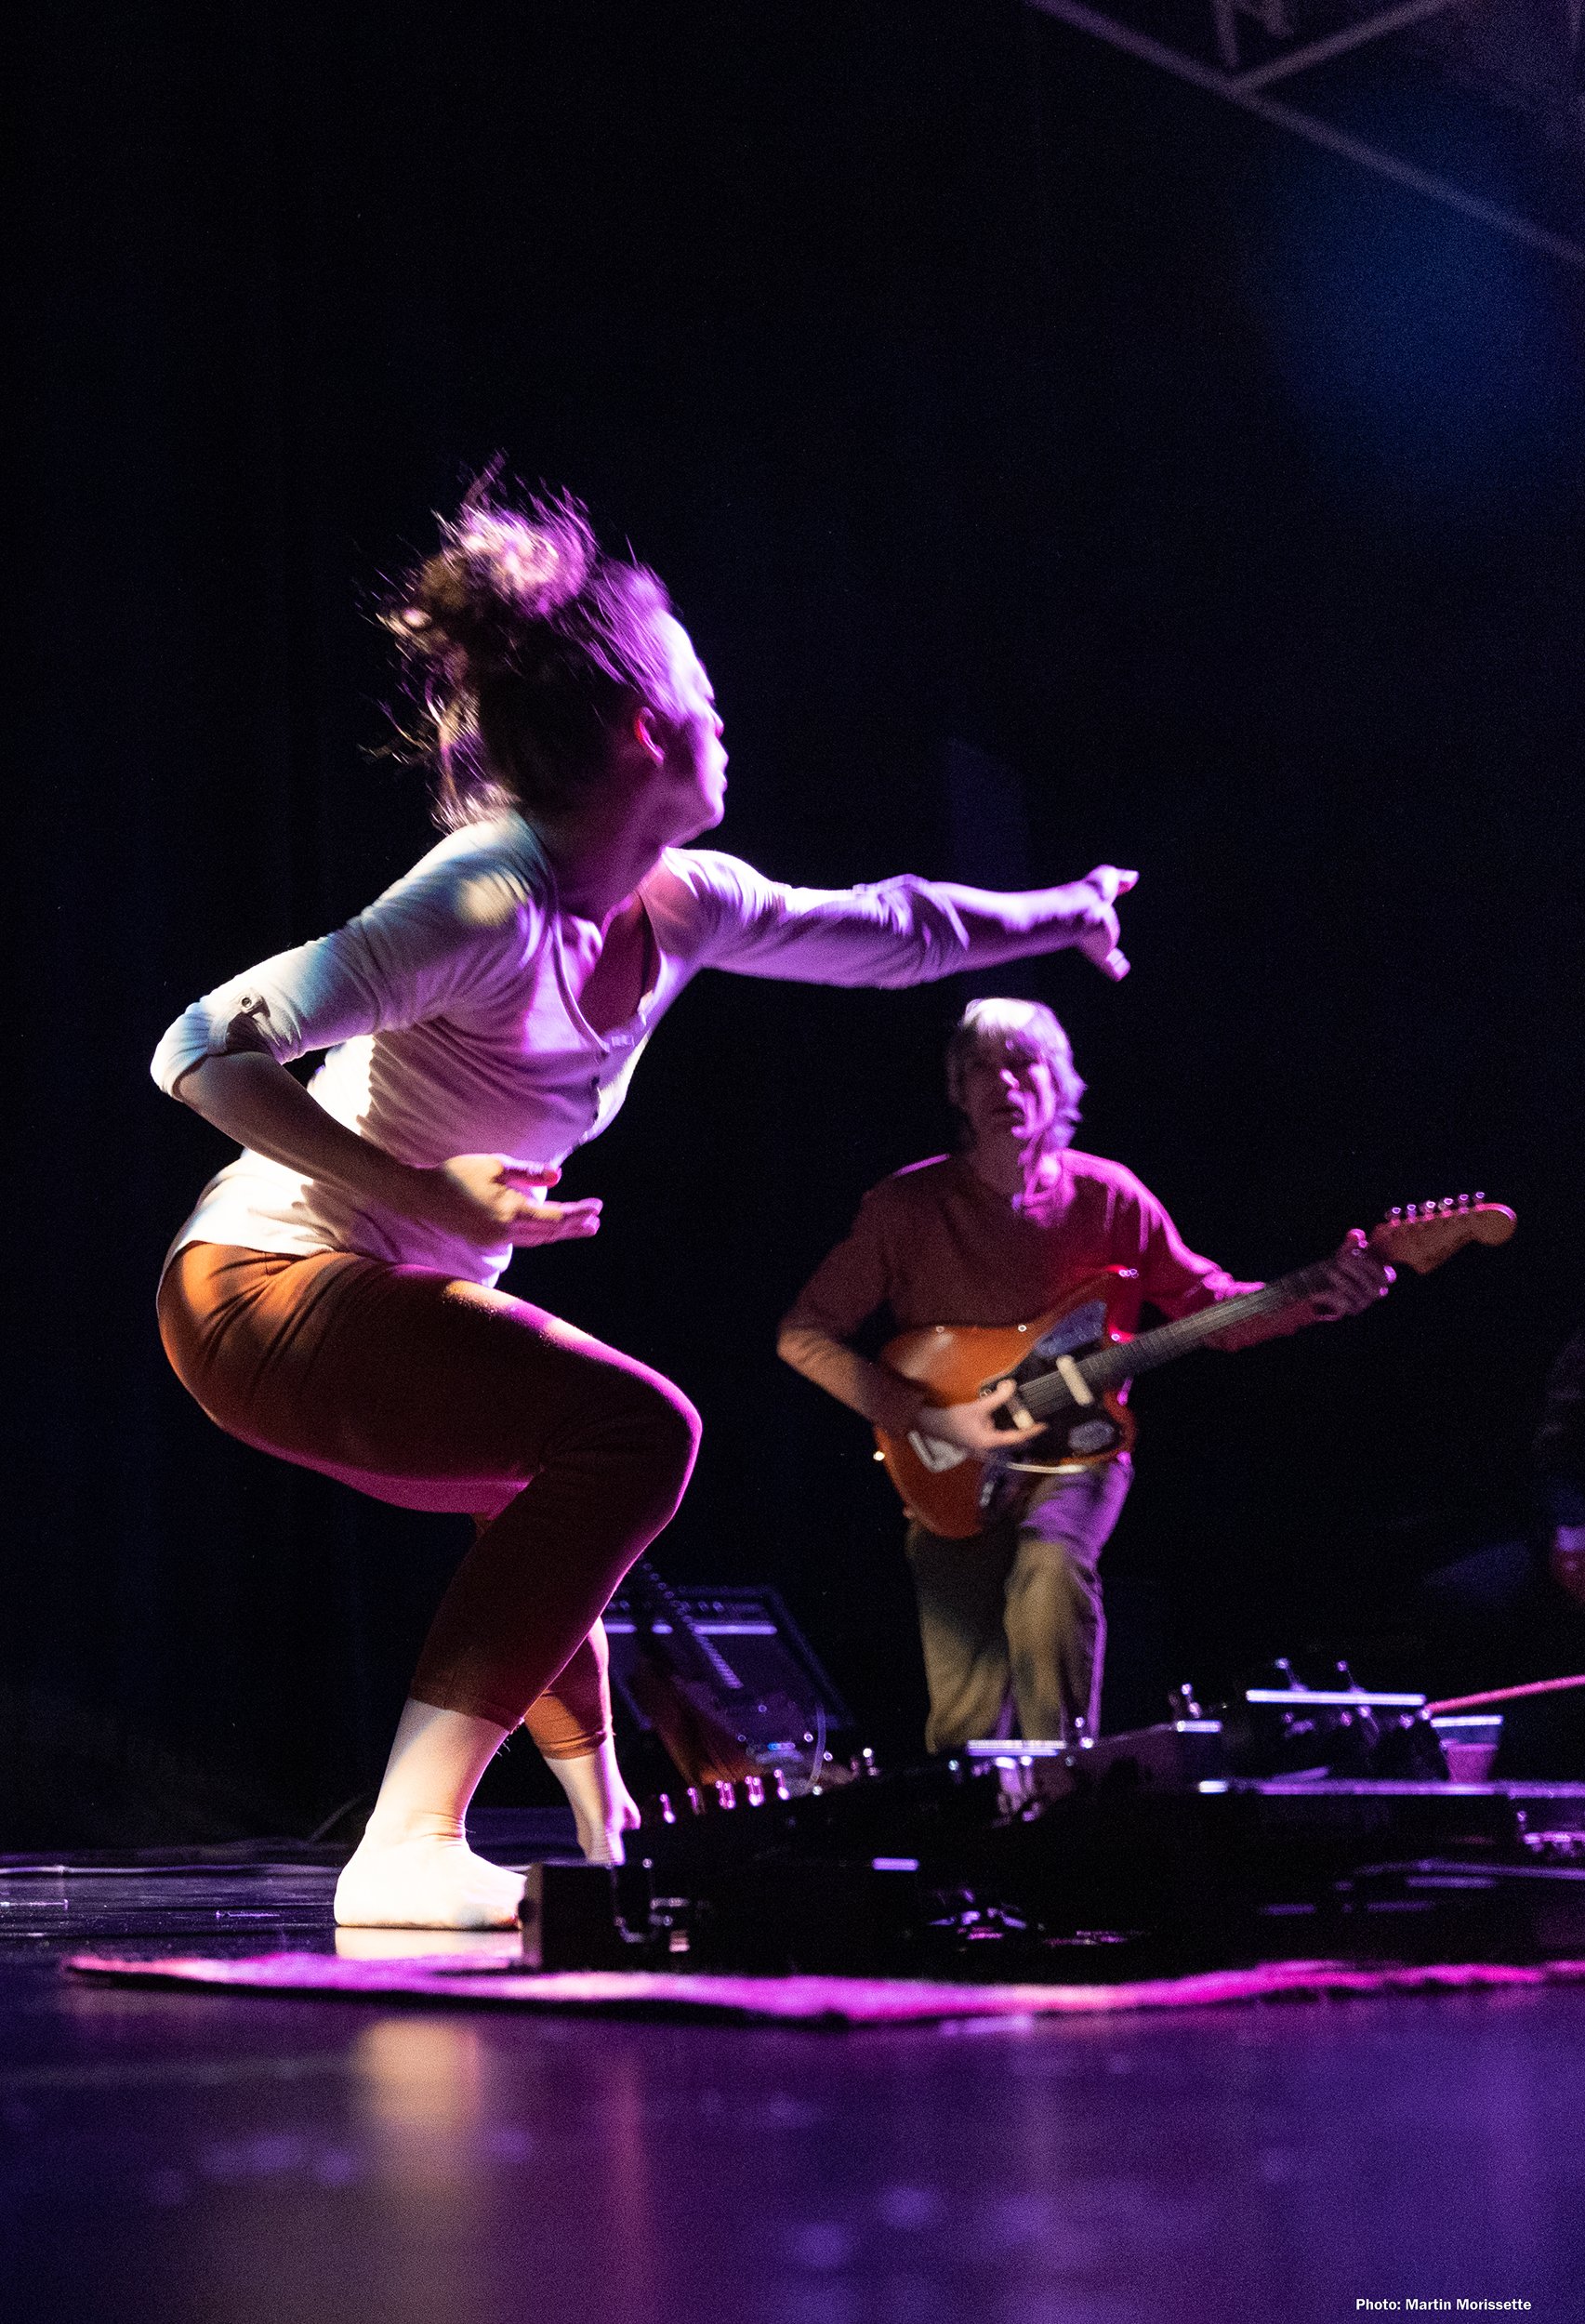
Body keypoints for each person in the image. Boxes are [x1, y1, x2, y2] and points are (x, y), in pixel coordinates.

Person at [152, 483, 1141, 1928]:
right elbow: (196, 1048)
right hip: (257, 1283)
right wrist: (412, 1188)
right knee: (637, 1431)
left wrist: (1058, 912)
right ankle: (405, 1841)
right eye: (700, 682)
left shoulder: (679, 904)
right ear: (638, 731)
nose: (723, 708)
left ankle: (603, 1830)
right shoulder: (488, 903)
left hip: (335, 1303)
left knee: (557, 1513)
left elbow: (888, 927)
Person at [777, 998, 1393, 1753]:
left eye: (1023, 1064)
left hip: (1081, 1451)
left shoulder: (1110, 1196)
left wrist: (1315, 1296)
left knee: (1048, 1572)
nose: (1003, 1083)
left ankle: (1069, 1789)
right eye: (980, 1067)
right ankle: (979, 1839)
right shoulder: (906, 1206)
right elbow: (803, 1336)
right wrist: (931, 1418)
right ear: (956, 1092)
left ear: (1059, 1082)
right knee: (965, 1720)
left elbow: (1206, 1303)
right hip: (943, 1466)